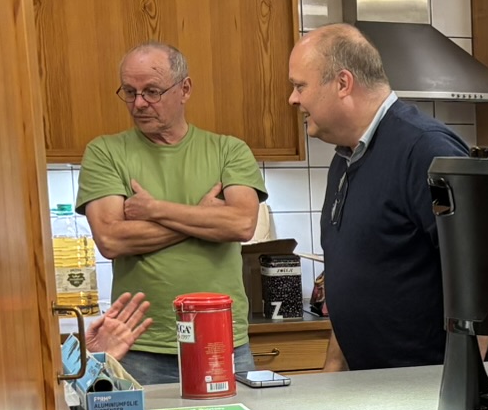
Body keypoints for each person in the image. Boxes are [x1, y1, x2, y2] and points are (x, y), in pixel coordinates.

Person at [76, 43, 267, 386]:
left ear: (185, 89)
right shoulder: (105, 152)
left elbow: (241, 223)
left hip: (222, 340)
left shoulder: (229, 150)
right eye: (130, 92)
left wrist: (155, 210)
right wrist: (202, 218)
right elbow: (111, 239)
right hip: (138, 345)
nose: (139, 104)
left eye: (152, 91)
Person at [288, 24, 468, 371]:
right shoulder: (345, 158)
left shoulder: (425, 149)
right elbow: (352, 280)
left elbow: (485, 274)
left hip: (429, 384)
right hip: (372, 386)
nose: (293, 99)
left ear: (343, 83)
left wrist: (462, 381)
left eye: (300, 86)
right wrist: (333, 372)